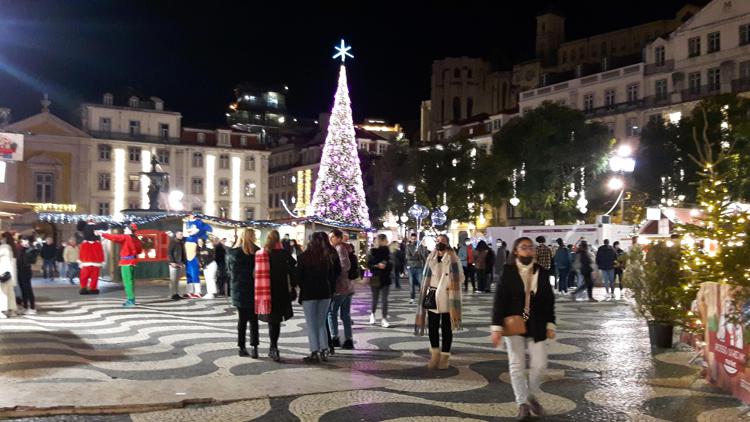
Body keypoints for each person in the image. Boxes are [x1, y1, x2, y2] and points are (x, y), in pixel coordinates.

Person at [491, 237, 556, 420]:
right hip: (514, 322)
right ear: (516, 251)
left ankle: (530, 396)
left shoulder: (541, 272)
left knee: (540, 363)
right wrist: (496, 327)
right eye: (523, 247)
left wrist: (551, 324)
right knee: (516, 364)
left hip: (537, 323)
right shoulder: (508, 271)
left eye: (530, 247)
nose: (528, 250)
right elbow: (500, 300)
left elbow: (549, 301)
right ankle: (522, 404)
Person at [414, 234, 463, 370]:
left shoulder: (454, 258)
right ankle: (434, 354)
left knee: (447, 327)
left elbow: (461, 278)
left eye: (443, 241)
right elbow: (426, 278)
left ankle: (445, 356)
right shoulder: (431, 257)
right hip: (432, 294)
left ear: (447, 243)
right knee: (433, 326)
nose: (440, 243)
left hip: (448, 296)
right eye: (438, 241)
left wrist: (451, 282)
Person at [254, 230, 297, 362]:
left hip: (267, 291)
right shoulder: (284, 253)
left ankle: (273, 348)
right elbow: (293, 264)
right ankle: (274, 347)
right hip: (281, 292)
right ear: (278, 239)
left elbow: (254, 273)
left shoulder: (262, 253)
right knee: (276, 322)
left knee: (272, 322)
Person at [298, 232, 339, 363]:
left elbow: (299, 277)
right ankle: (324, 350)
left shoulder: (303, 257)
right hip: (325, 293)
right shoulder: (327, 257)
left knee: (311, 324)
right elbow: (334, 275)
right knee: (321, 323)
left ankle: (314, 351)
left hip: (309, 294)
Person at [228, 229, 260, 358]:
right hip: (254, 289)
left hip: (239, 290)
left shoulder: (233, 253)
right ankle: (255, 347)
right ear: (253, 237)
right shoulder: (257, 252)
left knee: (242, 320)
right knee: (254, 320)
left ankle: (241, 347)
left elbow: (229, 271)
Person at [102, 224, 143, 307]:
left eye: (126, 228)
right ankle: (132, 299)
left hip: (126, 262)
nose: (124, 230)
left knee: (127, 282)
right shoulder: (136, 239)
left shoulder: (126, 237)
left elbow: (114, 238)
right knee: (131, 281)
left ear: (129, 229)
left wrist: (102, 234)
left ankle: (130, 300)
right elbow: (139, 251)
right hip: (133, 262)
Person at [328, 229, 355, 350]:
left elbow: (345, 265)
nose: (330, 239)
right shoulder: (346, 248)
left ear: (339, 238)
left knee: (332, 313)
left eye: (332, 237)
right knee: (345, 314)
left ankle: (335, 338)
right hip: (348, 287)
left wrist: (335, 273)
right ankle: (348, 339)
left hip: (340, 287)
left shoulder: (339, 248)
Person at [184, 214, 212, 299]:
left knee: (194, 271)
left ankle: (197, 291)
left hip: (193, 251)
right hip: (188, 250)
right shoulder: (187, 224)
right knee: (189, 272)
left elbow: (206, 229)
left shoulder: (199, 225)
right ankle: (190, 291)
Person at [367, 233, 393, 328]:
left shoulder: (387, 251)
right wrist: (377, 266)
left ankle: (384, 318)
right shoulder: (372, 251)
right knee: (375, 299)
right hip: (375, 277)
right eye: (385, 240)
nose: (387, 241)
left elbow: (391, 264)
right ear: (381, 240)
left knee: (385, 300)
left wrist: (386, 265)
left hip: (386, 277)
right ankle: (372, 314)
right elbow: (368, 265)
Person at [77, 219, 106, 295]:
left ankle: (83, 288)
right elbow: (101, 253)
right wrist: (102, 261)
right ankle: (93, 288)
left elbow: (81, 253)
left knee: (84, 276)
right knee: (94, 277)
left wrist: (80, 261)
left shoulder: (84, 243)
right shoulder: (98, 244)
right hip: (96, 262)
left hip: (85, 262)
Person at [16, 237, 39, 314]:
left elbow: (32, 260)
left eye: (24, 240)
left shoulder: (31, 249)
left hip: (26, 271)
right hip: (19, 270)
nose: (23, 242)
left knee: (28, 289)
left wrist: (28, 249)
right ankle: (25, 306)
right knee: (23, 289)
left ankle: (32, 307)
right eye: (22, 241)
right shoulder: (21, 249)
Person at [405, 232, 428, 305]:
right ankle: (412, 298)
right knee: (411, 283)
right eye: (412, 239)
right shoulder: (408, 246)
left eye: (415, 239)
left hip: (419, 267)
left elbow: (424, 256)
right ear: (410, 239)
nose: (413, 240)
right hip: (411, 267)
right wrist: (416, 255)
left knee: (421, 283)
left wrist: (422, 249)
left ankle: (423, 298)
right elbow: (408, 257)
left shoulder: (420, 246)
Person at [0, 232, 18, 318]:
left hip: (2, 272)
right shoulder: (12, 248)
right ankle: (12, 310)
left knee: (3, 293)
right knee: (10, 293)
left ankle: (3, 310)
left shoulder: (4, 248)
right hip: (10, 274)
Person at [168, 231, 187, 300]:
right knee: (173, 280)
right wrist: (172, 262)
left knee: (177, 280)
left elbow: (183, 253)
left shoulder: (181, 242)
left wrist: (183, 262)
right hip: (174, 263)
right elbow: (169, 252)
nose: (181, 235)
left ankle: (176, 293)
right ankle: (173, 294)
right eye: (180, 234)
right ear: (176, 234)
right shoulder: (173, 241)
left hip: (179, 263)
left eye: (182, 234)